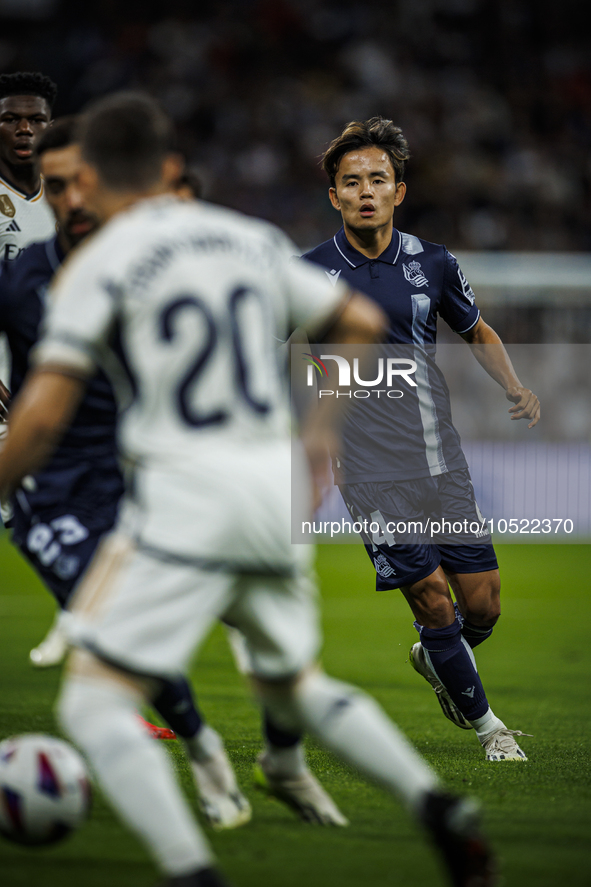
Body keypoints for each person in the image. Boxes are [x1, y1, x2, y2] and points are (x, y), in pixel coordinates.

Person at [0, 92, 496, 887]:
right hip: (271, 492)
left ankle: (193, 873)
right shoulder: (249, 239)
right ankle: (436, 807)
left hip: (186, 497)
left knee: (92, 704)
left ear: (90, 179)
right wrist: (320, 434)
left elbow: (42, 411)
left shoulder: (103, 262)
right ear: (169, 169)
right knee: (295, 682)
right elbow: (360, 324)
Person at [0, 114, 346, 829]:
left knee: (246, 621)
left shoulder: (164, 265)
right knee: (117, 627)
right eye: (56, 187)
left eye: (77, 182)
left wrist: (316, 419)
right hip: (63, 475)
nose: (69, 200)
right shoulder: (26, 277)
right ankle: (201, 744)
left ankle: (281, 754)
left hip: (170, 468)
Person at [302, 117, 540, 762]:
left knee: (481, 607)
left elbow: (477, 330)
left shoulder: (433, 262)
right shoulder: (308, 275)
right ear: (335, 197)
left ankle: (437, 655)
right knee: (433, 600)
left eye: (378, 179)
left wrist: (513, 385)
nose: (366, 191)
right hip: (370, 473)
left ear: (398, 191)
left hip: (442, 460)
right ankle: (492, 730)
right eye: (351, 182)